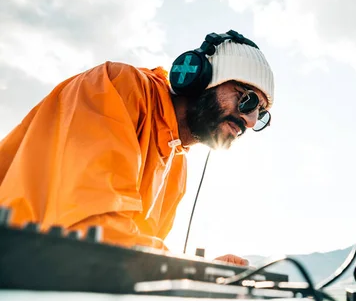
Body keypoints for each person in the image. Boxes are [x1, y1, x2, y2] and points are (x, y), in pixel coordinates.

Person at [0, 30, 274, 266]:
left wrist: (200, 271)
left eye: (260, 114)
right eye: (246, 100)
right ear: (199, 78)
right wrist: (192, 269)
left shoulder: (177, 165)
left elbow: (131, 257)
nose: (250, 121)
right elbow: (93, 231)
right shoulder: (118, 86)